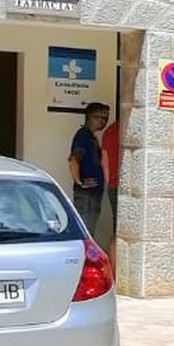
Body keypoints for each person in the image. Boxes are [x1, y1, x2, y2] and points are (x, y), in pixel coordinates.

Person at [68, 102, 109, 238]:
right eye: (99, 117)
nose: (103, 121)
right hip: (87, 195)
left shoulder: (91, 137)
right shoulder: (83, 136)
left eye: (105, 118)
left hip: (93, 193)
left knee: (89, 231)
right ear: (89, 117)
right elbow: (73, 160)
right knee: (85, 232)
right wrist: (80, 183)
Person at [101, 115, 120, 260]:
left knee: (117, 230)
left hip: (113, 185)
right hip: (126, 185)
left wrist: (109, 184)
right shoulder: (127, 130)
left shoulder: (109, 132)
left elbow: (105, 162)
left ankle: (114, 271)